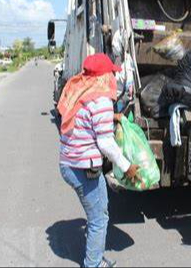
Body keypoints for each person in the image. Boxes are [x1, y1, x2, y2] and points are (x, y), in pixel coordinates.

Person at [57, 53, 140, 268]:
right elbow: (106, 144)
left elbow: (86, 115)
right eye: (111, 73)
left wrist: (113, 117)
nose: (114, 77)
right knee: (99, 219)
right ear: (103, 76)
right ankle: (93, 264)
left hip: (68, 163)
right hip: (83, 168)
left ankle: (95, 259)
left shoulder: (81, 91)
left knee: (97, 215)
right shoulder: (102, 100)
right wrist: (127, 166)